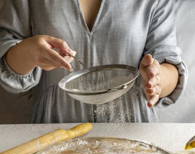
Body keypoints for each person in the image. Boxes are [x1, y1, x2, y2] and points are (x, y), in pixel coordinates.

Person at [0, 0, 187, 123]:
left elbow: (168, 63)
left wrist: (157, 78)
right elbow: (8, 71)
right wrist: (29, 52)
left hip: (133, 130)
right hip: (54, 127)